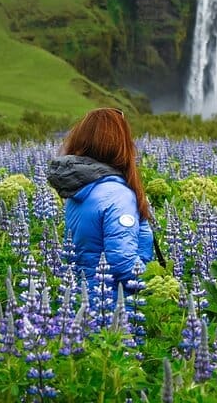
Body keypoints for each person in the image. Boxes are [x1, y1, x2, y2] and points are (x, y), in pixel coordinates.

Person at [46, 108, 153, 293]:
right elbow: (124, 263)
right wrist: (155, 286)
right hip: (116, 304)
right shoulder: (117, 195)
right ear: (118, 145)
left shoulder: (81, 188)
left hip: (82, 296)